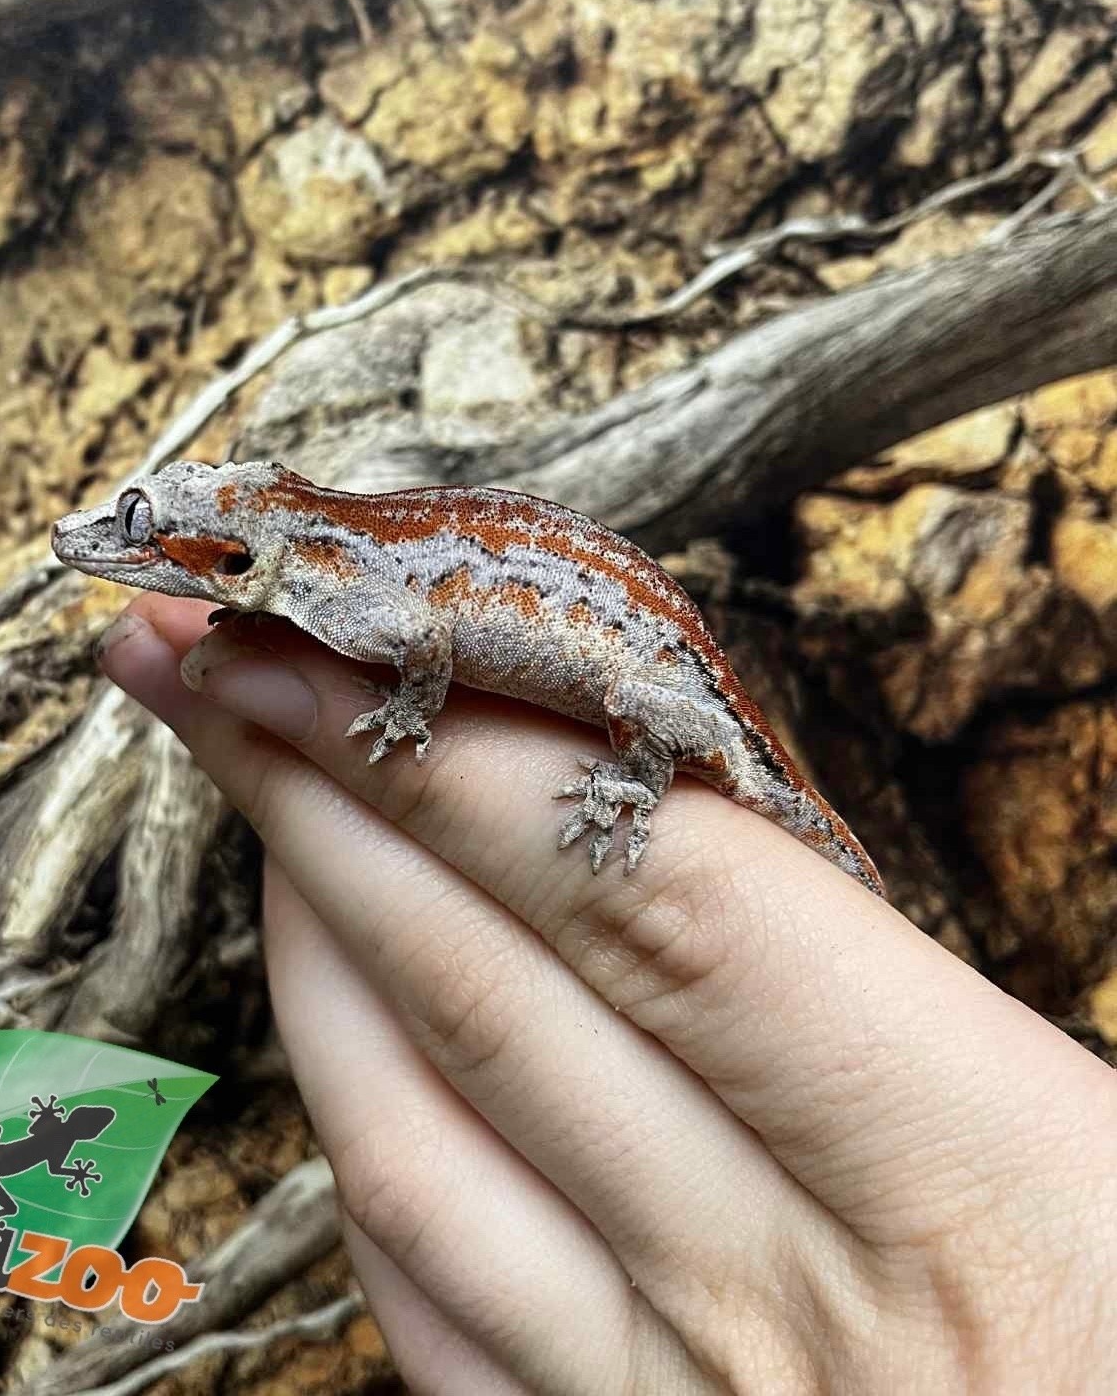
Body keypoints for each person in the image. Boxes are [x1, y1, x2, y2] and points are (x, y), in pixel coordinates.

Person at [98, 595, 1117, 1393]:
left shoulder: (366, 602)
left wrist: (619, 781)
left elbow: (429, 642)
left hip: (673, 700)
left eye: (144, 536)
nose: (107, 547)